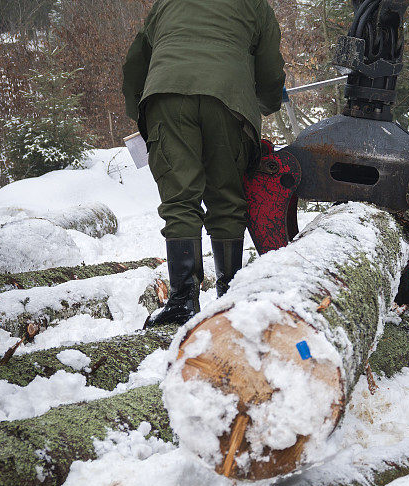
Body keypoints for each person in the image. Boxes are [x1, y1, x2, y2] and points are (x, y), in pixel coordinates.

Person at [122, 0, 286, 327]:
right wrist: (262, 105)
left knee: (179, 200)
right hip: (228, 100)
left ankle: (182, 300)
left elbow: (135, 62)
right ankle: (229, 296)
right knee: (226, 198)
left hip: (167, 97)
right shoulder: (255, 6)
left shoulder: (166, 3)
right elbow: (270, 73)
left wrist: (138, 108)